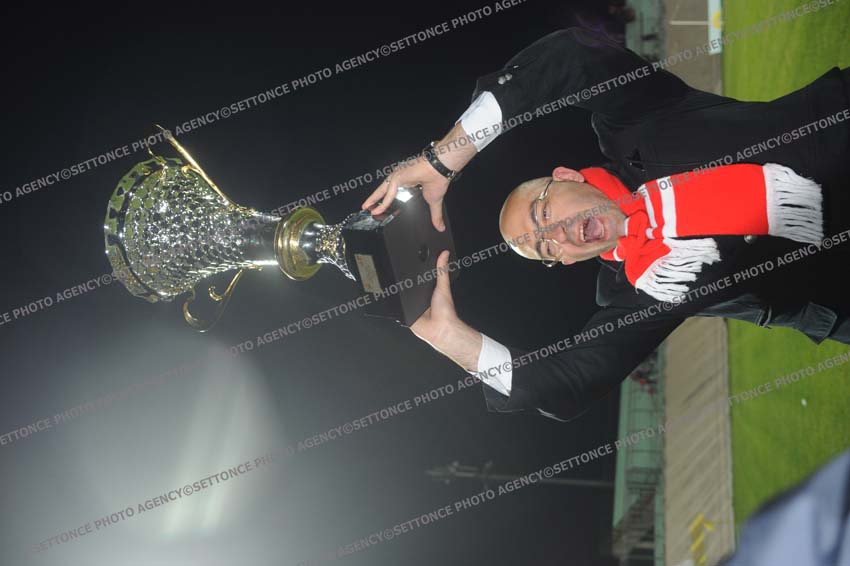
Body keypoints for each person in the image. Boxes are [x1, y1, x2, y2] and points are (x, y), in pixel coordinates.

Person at [362, 28, 850, 421]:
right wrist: (447, 336)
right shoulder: (640, 290)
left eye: (543, 214)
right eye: (547, 249)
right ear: (568, 261)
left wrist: (445, 157)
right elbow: (569, 384)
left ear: (567, 176)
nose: (558, 235)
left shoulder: (639, 123)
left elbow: (574, 55)